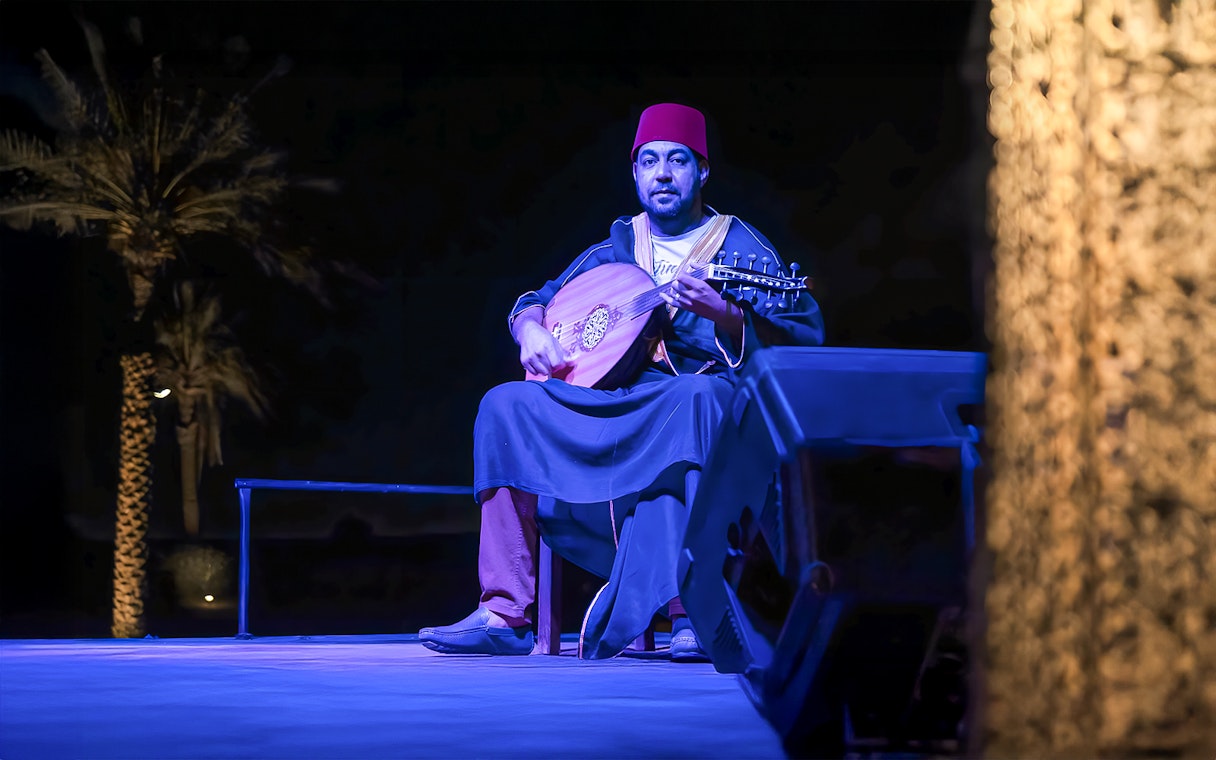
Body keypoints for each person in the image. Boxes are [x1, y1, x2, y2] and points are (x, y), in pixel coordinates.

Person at [418, 102, 825, 660]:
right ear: (634, 172)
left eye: (678, 161)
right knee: (505, 404)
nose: (662, 174)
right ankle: (504, 612)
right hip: (614, 403)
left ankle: (692, 610)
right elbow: (536, 300)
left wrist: (726, 316)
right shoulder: (616, 247)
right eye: (650, 161)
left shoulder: (737, 248)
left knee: (699, 397)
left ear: (702, 171)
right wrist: (528, 329)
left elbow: (804, 332)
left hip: (687, 404)